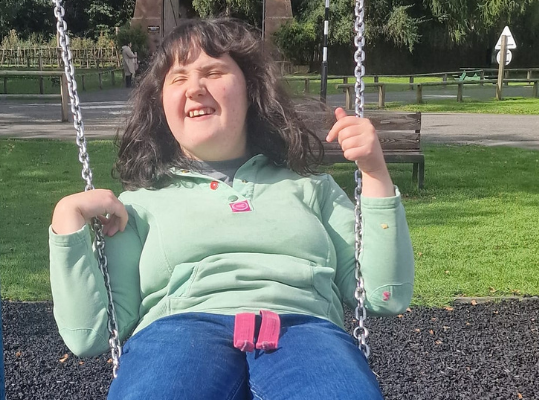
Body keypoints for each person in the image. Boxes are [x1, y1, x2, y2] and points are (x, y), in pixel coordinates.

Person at [50, 18, 414, 399]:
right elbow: (89, 335)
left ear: (251, 89)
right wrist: (67, 222)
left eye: (213, 71)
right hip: (178, 333)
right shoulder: (140, 205)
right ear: (161, 104)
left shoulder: (310, 189)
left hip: (305, 329)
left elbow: (384, 294)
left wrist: (374, 174)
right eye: (177, 78)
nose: (194, 88)